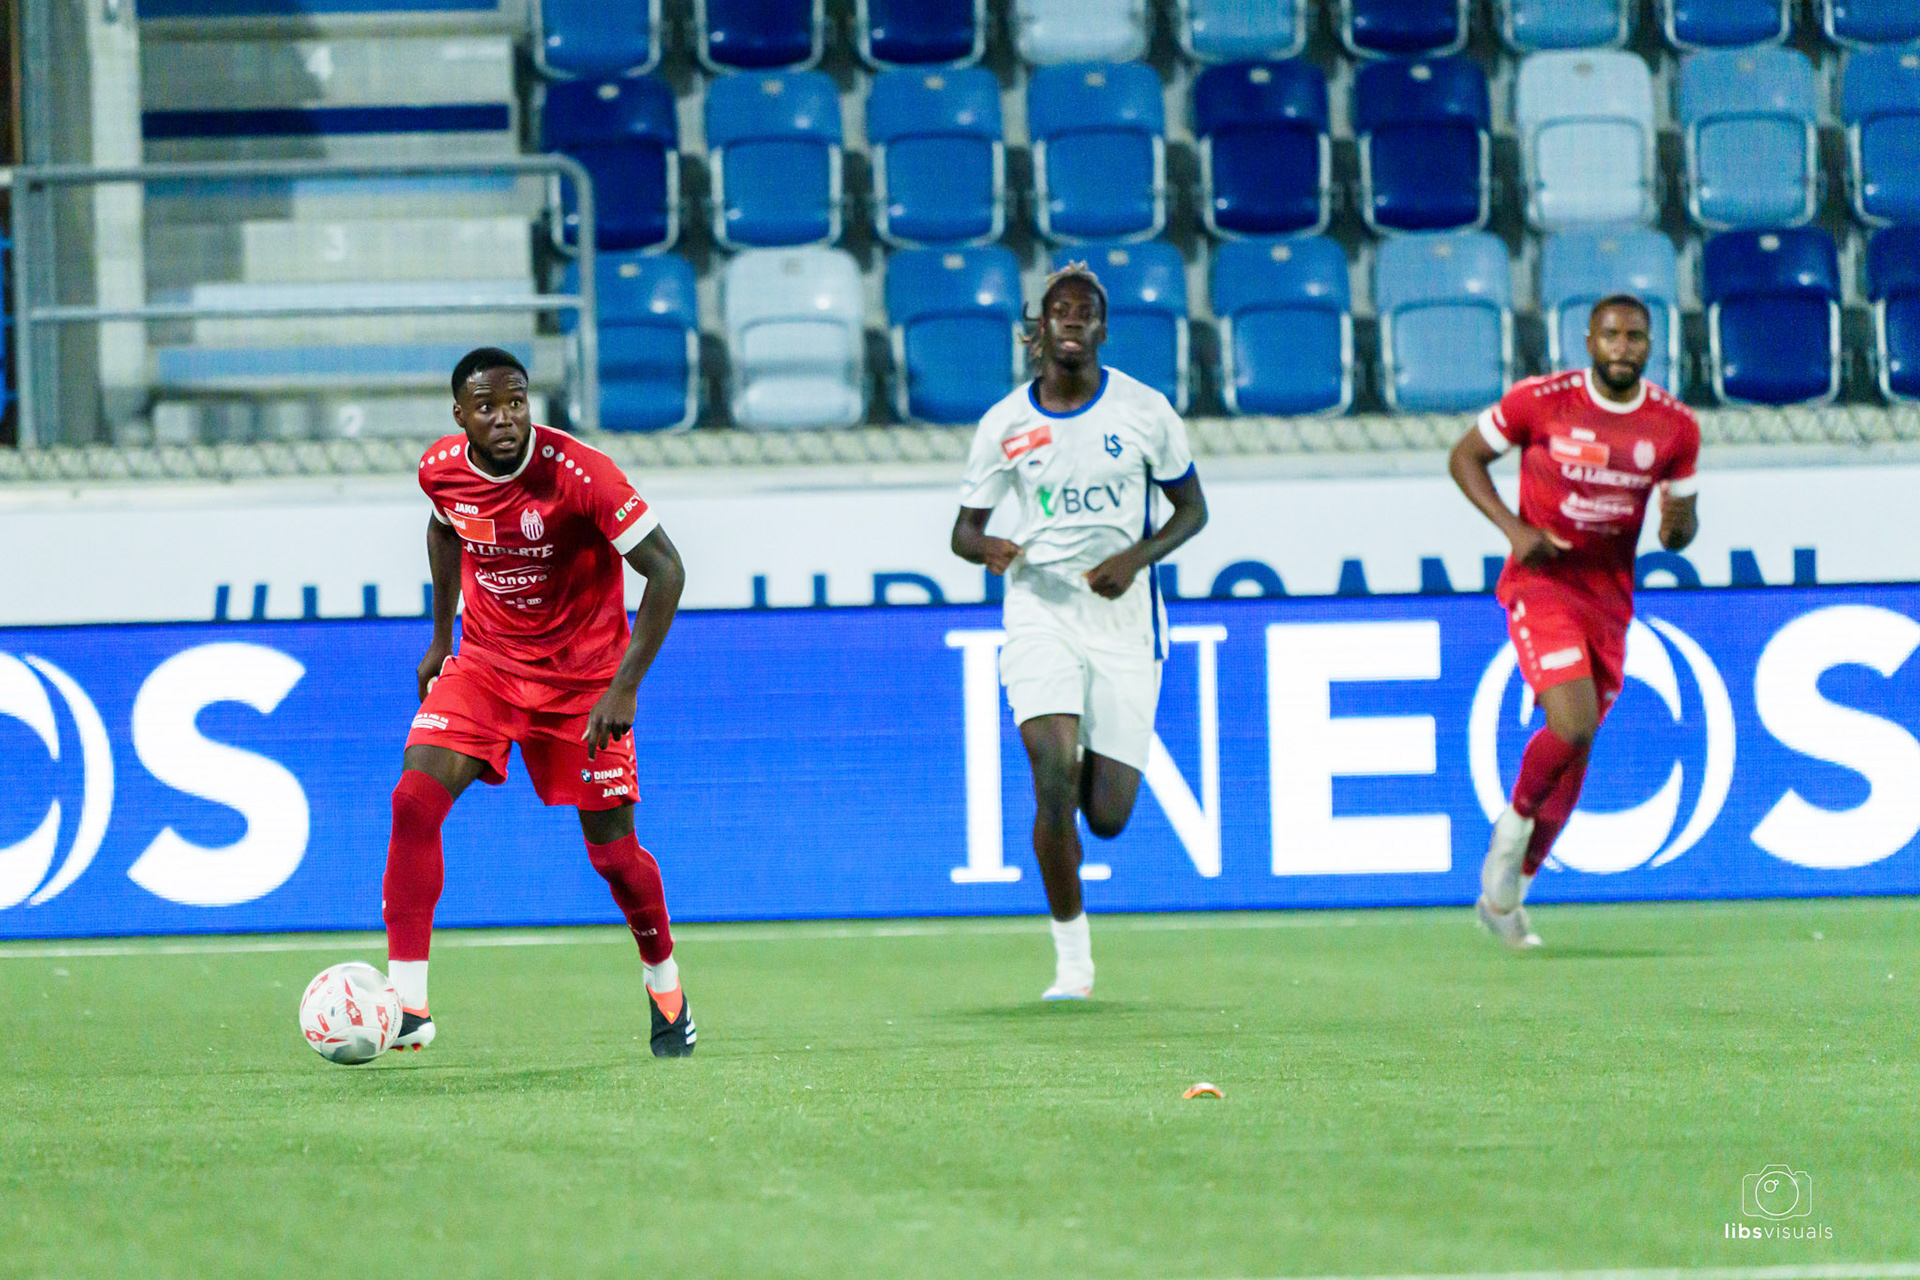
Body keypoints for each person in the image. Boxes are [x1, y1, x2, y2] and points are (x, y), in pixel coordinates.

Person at [381, 347, 695, 1055]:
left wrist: (624, 686)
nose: (505, 418)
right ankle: (407, 1004)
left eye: (516, 402)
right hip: (486, 667)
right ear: (460, 415)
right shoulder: (440, 469)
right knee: (413, 801)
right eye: (487, 407)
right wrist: (440, 637)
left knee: (614, 858)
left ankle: (664, 978)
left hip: (583, 686)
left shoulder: (583, 475)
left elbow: (668, 571)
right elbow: (444, 526)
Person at [951, 263, 1209, 999]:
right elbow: (964, 533)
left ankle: (1091, 795)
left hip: (1124, 623)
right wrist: (992, 547)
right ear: (1039, 327)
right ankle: (1073, 963)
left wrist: (1138, 555)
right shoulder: (1003, 424)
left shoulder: (1145, 411)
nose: (1072, 321)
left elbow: (1192, 510)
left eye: (1086, 312)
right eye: (1059, 311)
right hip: (1041, 611)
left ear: (1101, 328)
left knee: (1108, 817)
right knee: (1052, 773)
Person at [1449, 295, 1700, 948]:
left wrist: (1679, 528)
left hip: (1609, 602)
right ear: (1589, 340)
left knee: (1579, 748)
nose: (1623, 346)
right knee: (1574, 722)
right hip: (1543, 584)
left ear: (1651, 345)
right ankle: (1510, 832)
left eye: (1636, 336)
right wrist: (1514, 528)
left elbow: (1680, 527)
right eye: (1612, 334)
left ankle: (1511, 893)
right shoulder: (1541, 400)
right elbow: (1464, 457)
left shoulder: (1674, 427)